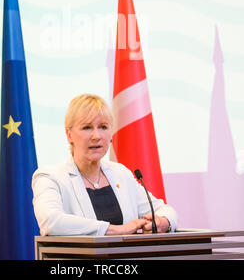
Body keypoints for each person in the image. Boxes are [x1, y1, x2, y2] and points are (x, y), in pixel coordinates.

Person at [32, 93, 178, 236]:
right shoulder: (50, 177)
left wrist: (164, 221)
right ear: (69, 134)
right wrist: (115, 230)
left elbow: (163, 209)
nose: (97, 136)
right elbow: (50, 221)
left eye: (103, 127)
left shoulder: (121, 173)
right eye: (87, 127)